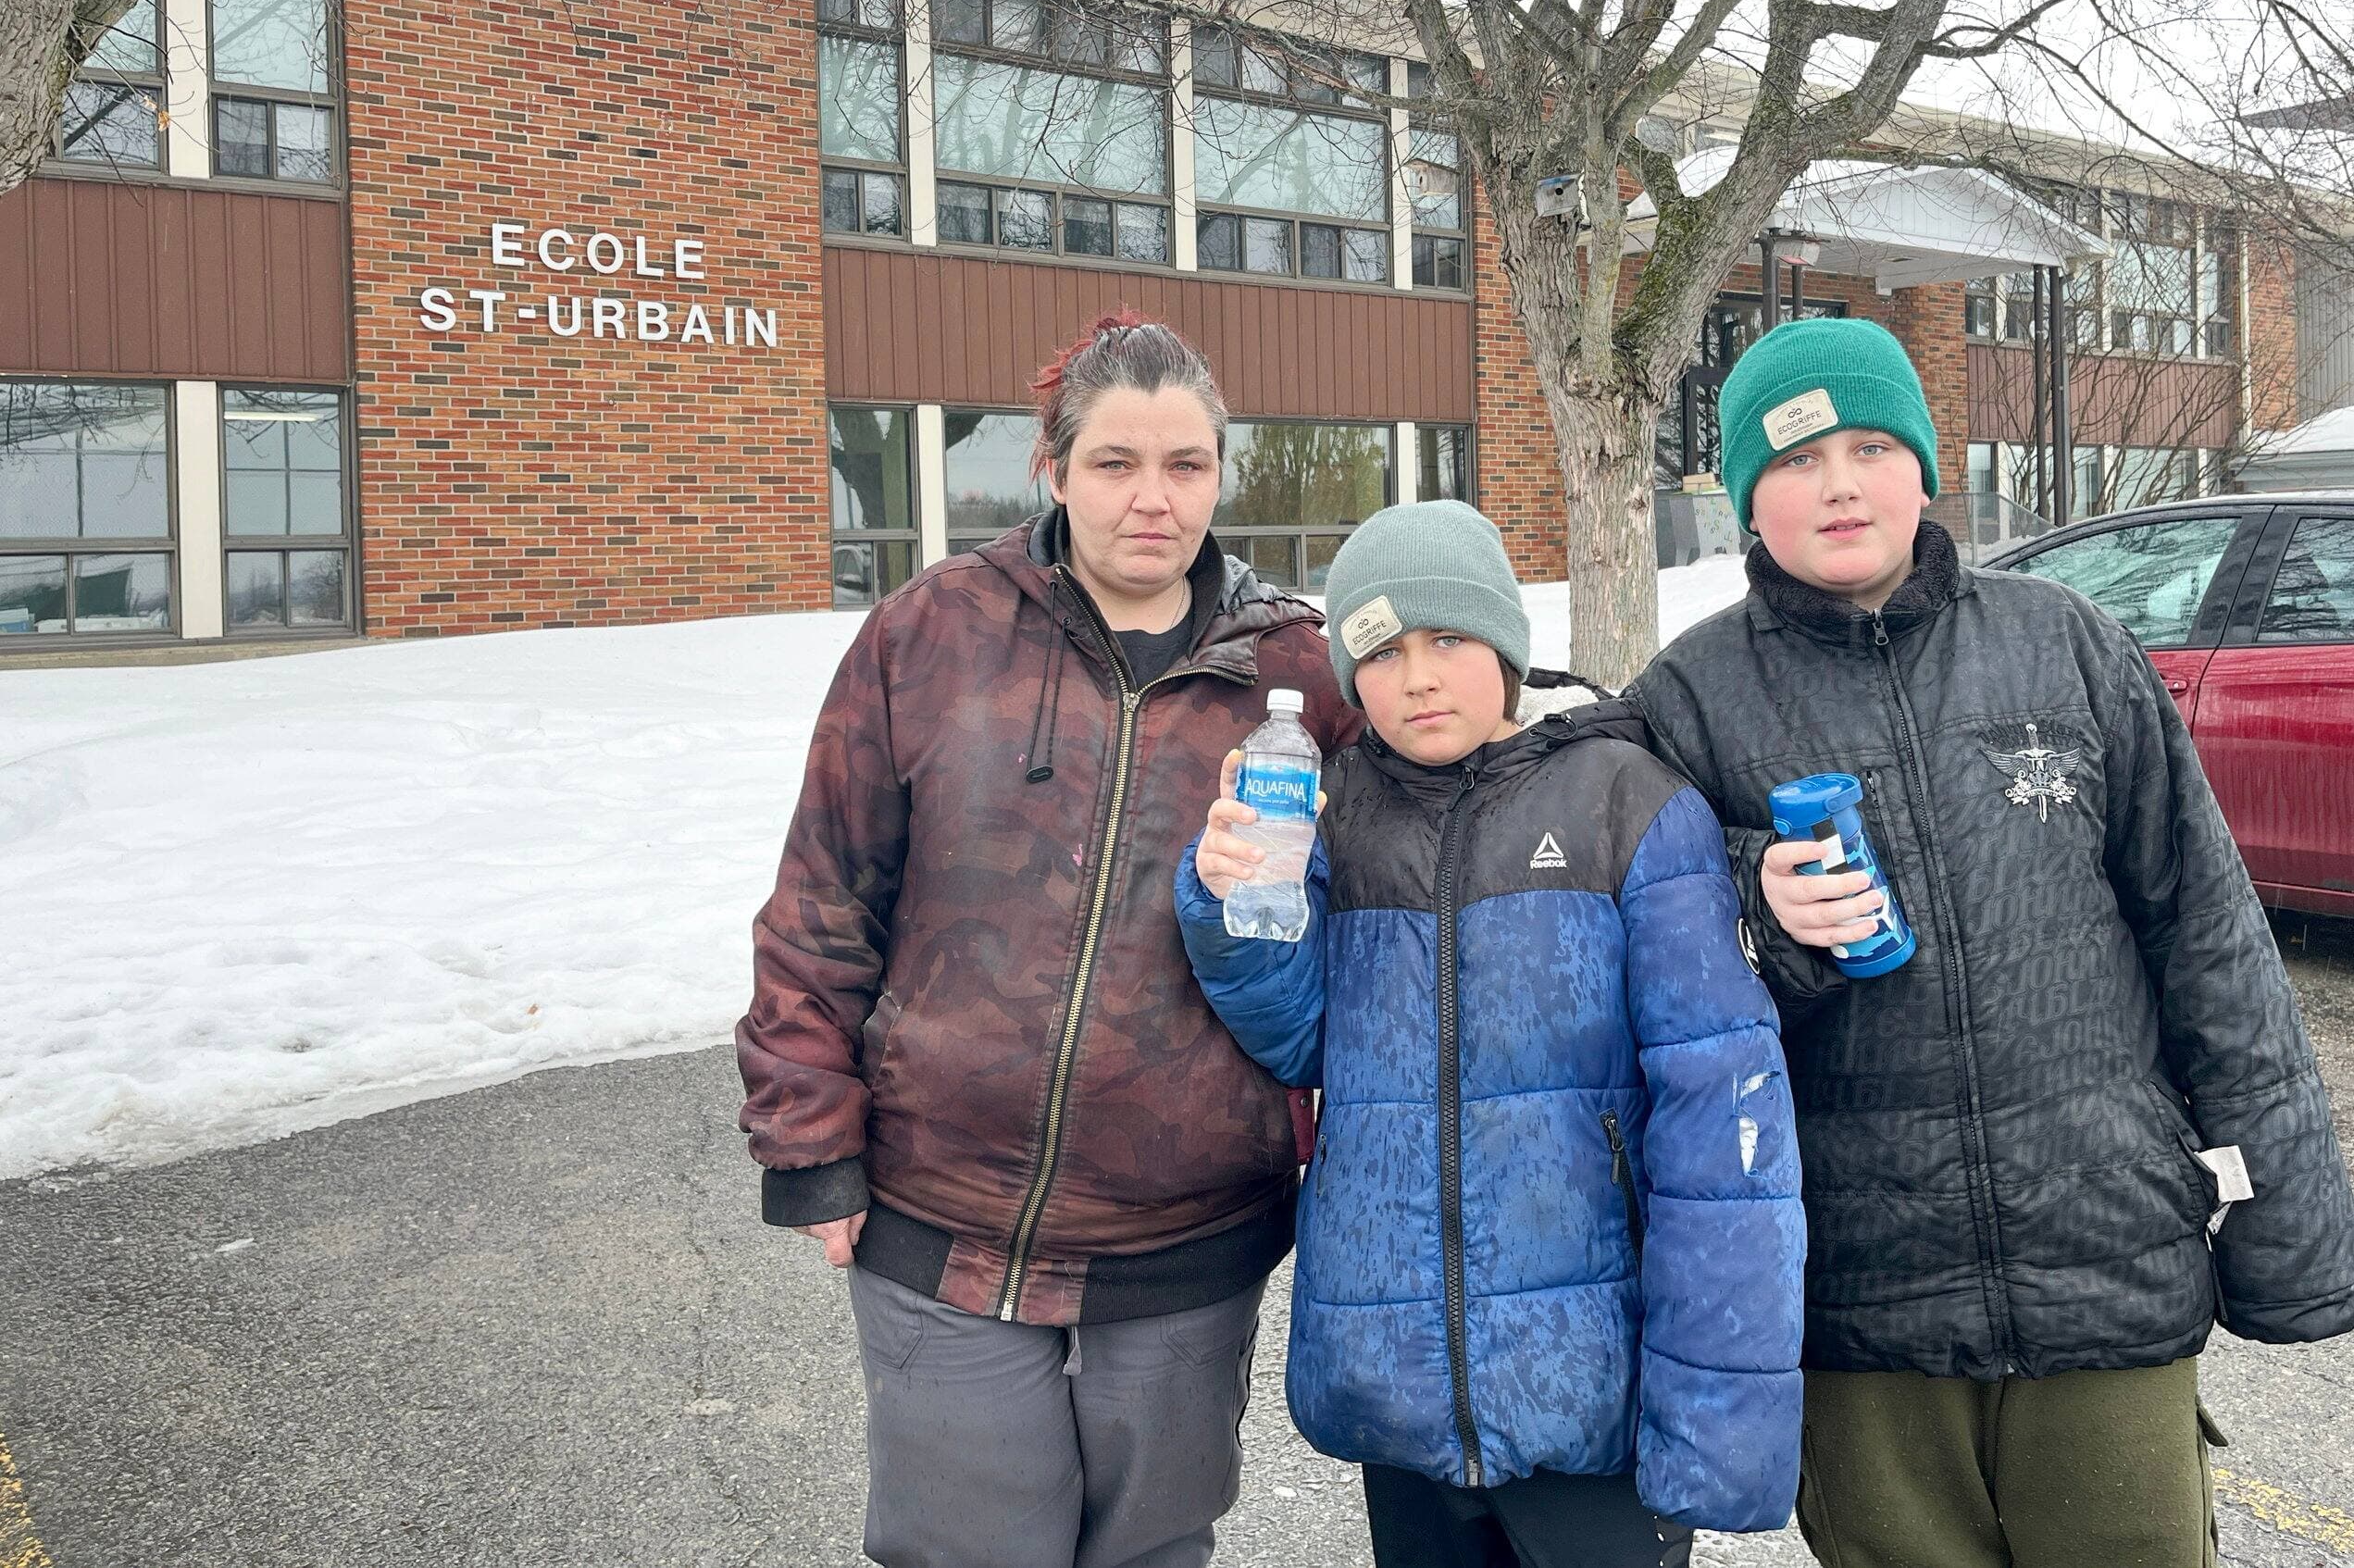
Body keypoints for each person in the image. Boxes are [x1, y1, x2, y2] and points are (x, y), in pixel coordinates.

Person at [1628, 317, 2354, 1568]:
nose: (1841, 482)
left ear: (1925, 466)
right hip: (1859, 1296)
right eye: (1799, 458)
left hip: (2104, 1255)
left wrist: (2290, 1233)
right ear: (1747, 497)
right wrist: (1755, 908)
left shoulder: (2068, 645)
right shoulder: (1686, 700)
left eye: (1871, 445)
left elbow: (2209, 939)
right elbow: (1637, 977)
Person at [736, 312, 1361, 1568]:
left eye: (1186, 464)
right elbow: (823, 897)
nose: (1153, 498)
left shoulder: (1298, 673)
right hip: (940, 1214)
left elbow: (1391, 903)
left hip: (1186, 1236)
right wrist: (809, 1139)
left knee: (1153, 1547)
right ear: (1056, 467)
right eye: (1117, 463)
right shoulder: (933, 633)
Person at [1175, 500, 1805, 1568]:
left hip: (1589, 1395)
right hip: (1402, 1387)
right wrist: (1227, 903)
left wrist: (1714, 1428)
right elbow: (1298, 1043)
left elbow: (1724, 1135)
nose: (1416, 677)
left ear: (1506, 643)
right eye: (1380, 652)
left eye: (1449, 640)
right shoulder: (1335, 808)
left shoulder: (1627, 803)